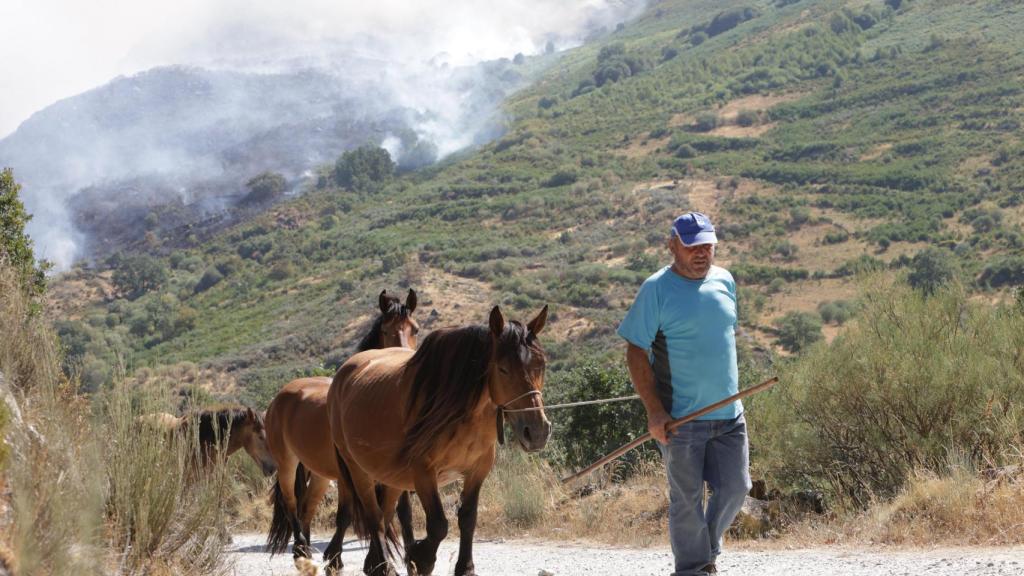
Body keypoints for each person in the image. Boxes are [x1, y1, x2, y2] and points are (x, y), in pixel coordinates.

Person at [617, 211, 751, 576]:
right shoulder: (656, 289)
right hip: (680, 421)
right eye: (693, 246)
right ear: (672, 244)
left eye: (708, 245)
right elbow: (634, 350)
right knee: (687, 501)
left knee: (737, 488)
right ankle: (694, 569)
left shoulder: (725, 280)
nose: (701, 253)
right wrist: (655, 411)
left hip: (729, 415)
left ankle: (705, 551)